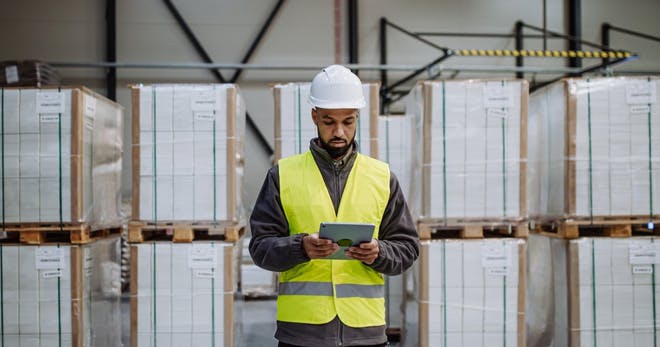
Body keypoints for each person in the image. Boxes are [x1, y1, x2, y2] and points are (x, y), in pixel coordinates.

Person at [249, 64, 419, 347]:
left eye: (348, 121)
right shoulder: (283, 175)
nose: (339, 131)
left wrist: (379, 252)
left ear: (358, 117)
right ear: (314, 116)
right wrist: (300, 247)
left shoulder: (381, 177)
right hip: (302, 334)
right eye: (329, 121)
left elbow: (408, 248)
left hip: (365, 332)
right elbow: (260, 248)